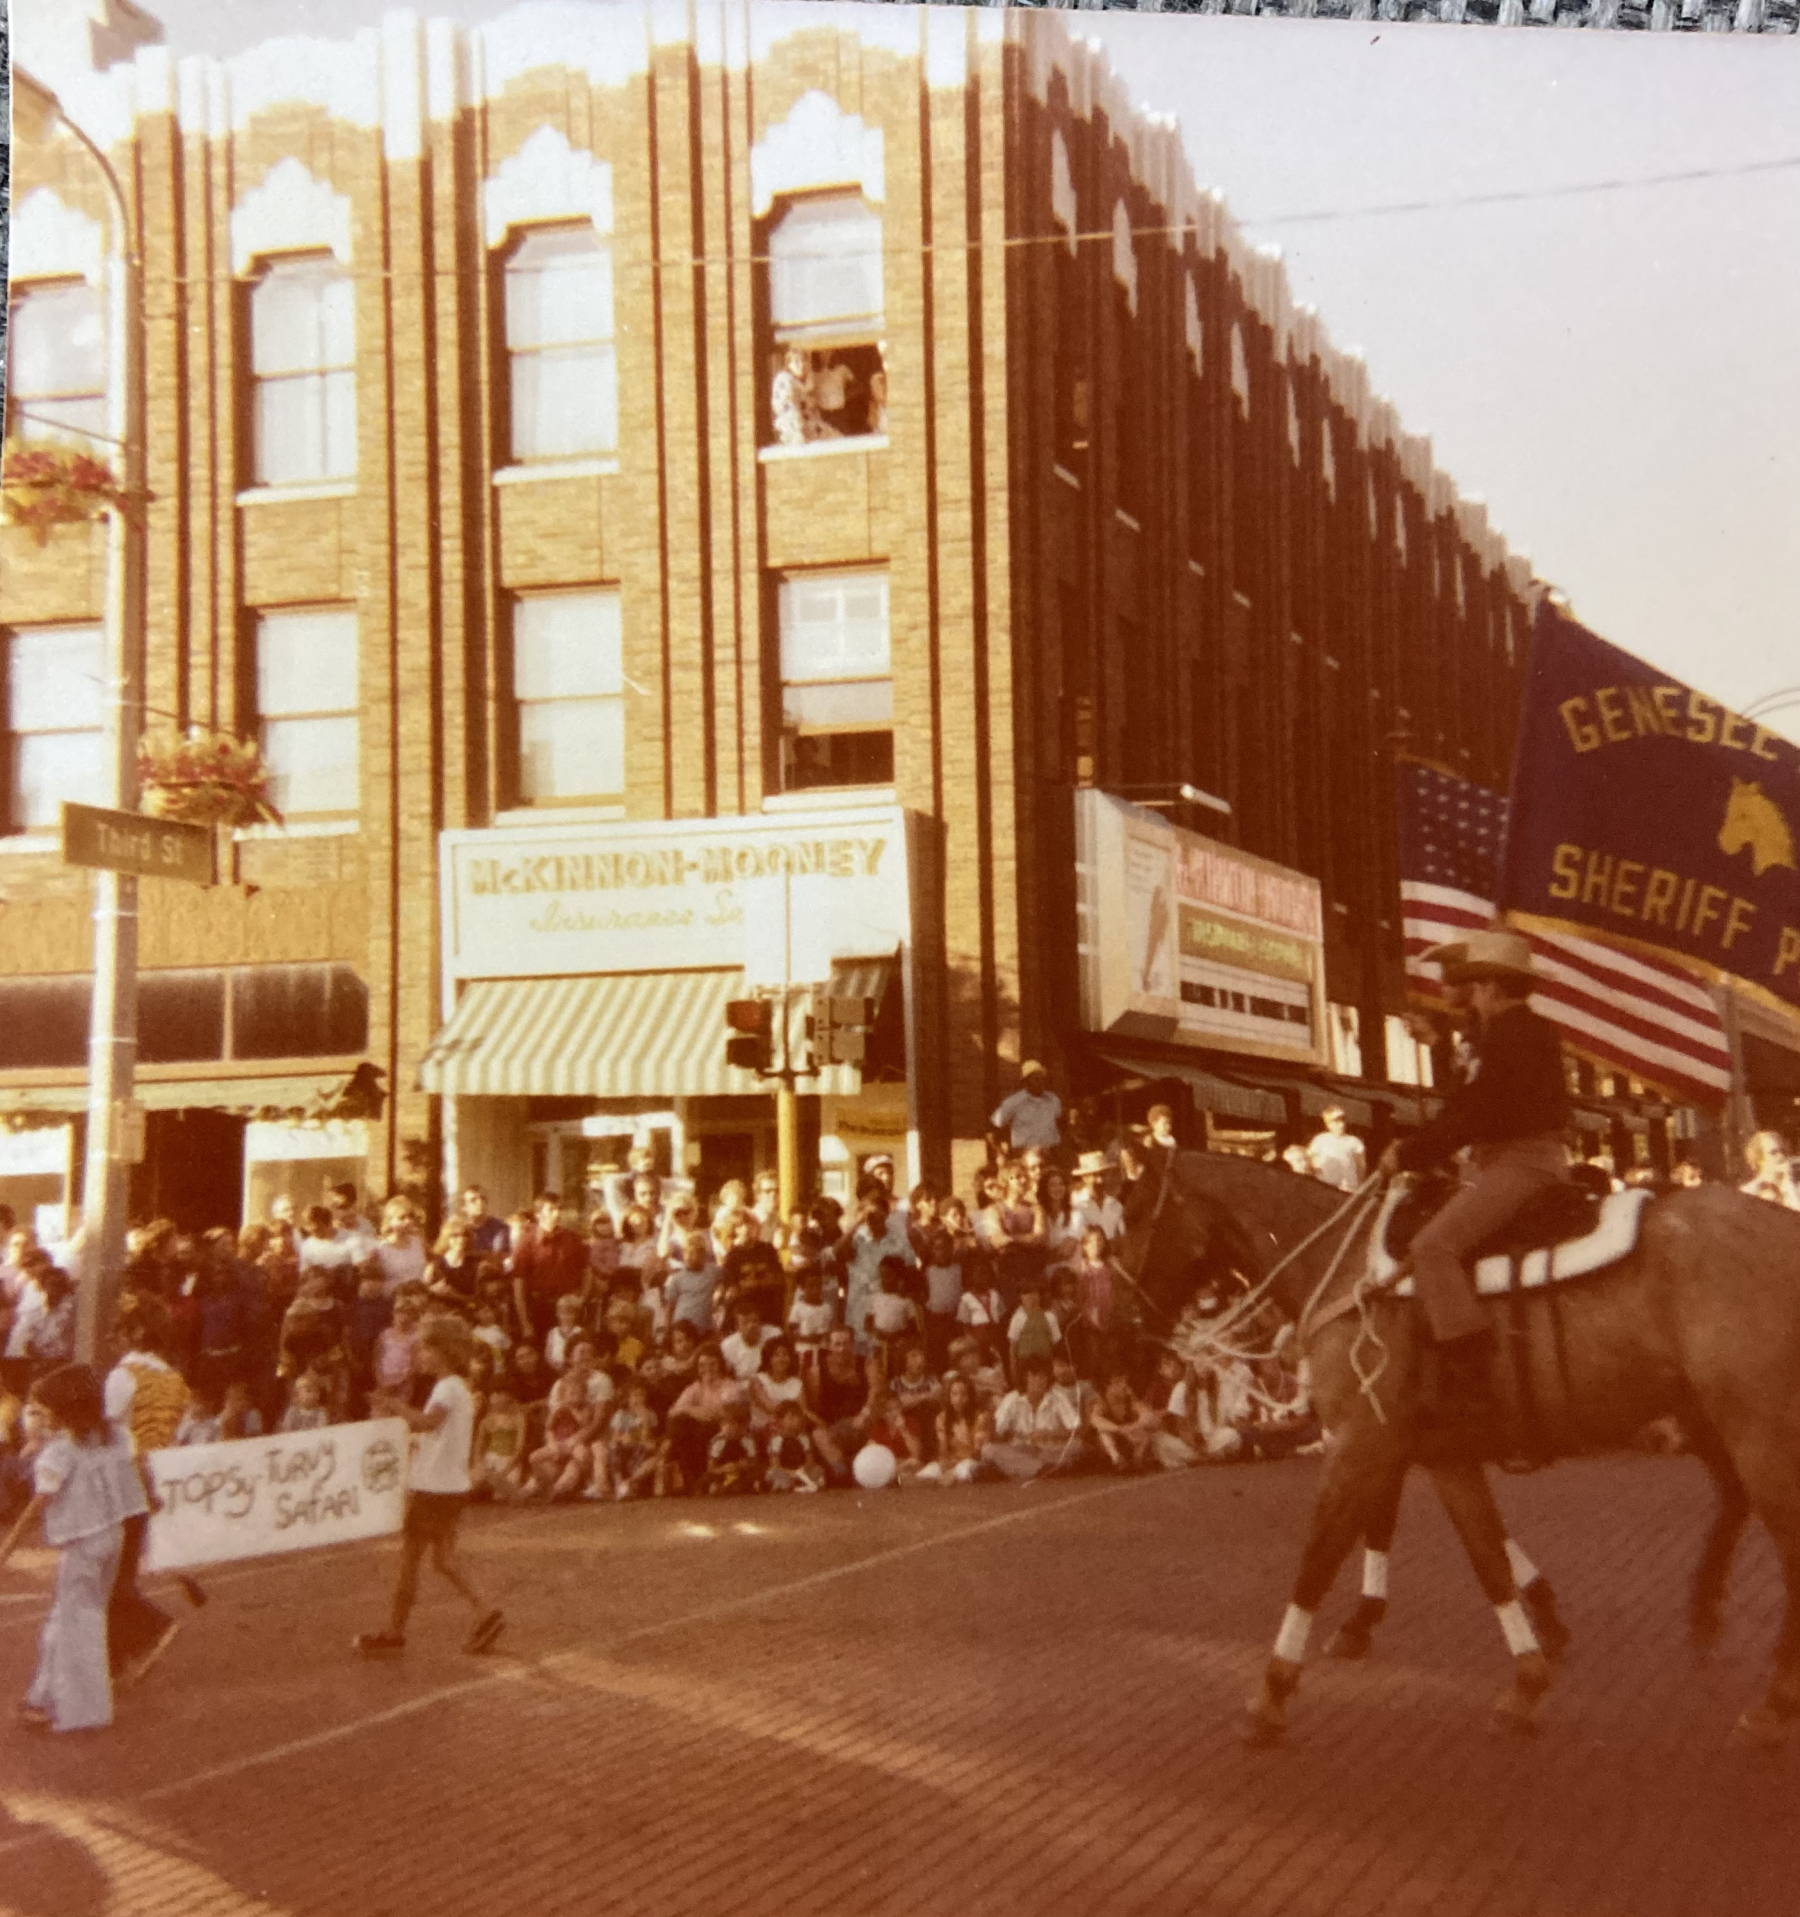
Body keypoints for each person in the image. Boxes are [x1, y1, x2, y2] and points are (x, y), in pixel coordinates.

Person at [1380, 929, 1572, 1444]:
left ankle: (1471, 1390)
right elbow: (1468, 1102)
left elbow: (1476, 1109)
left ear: (1488, 986)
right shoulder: (1511, 1032)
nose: (1457, 988)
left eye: (1467, 981)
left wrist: (1412, 1152)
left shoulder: (1512, 1034)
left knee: (1433, 1246)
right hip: (1503, 1161)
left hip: (1520, 1164)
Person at [0, 1364, 142, 1733]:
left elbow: (36, 1507)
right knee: (71, 1619)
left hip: (83, 1544)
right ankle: (41, 1698)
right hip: (112, 1536)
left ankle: (82, 1710)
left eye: (46, 1410)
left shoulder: (60, 1453)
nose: (42, 1417)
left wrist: (6, 1549)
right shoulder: (112, 1438)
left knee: (76, 1624)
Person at [356, 1315, 503, 1657]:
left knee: (411, 1561)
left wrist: (391, 1405)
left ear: (444, 1351)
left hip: (433, 1488)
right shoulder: (458, 1388)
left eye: (426, 1347)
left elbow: (426, 1421)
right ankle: (485, 1611)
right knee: (444, 1559)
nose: (420, 1353)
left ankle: (394, 1631)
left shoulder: (447, 1388)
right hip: (450, 1486)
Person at [101, 1299, 187, 1687]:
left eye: (122, 1331)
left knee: (108, 1574)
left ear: (136, 1334)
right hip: (153, 1479)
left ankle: (152, 1626)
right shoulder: (175, 1381)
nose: (116, 1338)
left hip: (121, 1477)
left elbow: (107, 1430)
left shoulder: (123, 1375)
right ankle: (118, 1659)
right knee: (121, 1569)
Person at [990, 1061, 1064, 1158]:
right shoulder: (1014, 1102)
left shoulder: (1053, 1100)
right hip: (1024, 1156)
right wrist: (1000, 1152)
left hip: (1050, 1155)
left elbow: (1061, 1125)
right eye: (1035, 1078)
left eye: (1041, 1078)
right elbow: (991, 1129)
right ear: (1026, 1081)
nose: (1040, 1082)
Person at [1307, 1107, 1368, 1194]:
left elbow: (1361, 1165)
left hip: (1348, 1188)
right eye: (1336, 1121)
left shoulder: (1354, 1141)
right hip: (1325, 1186)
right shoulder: (1320, 1140)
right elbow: (1310, 1160)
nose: (1341, 1124)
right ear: (1328, 1123)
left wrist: (1359, 1184)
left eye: (1343, 1120)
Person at [1739, 1132, 1800, 1209]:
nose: (1781, 1156)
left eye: (1782, 1151)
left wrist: (1787, 1184)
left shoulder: (1795, 1188)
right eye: (1773, 1153)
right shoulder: (1748, 1192)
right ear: (1759, 1159)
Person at [457, 1186, 511, 1258]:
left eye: (483, 1198)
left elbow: (498, 1256)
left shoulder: (499, 1227)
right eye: (473, 1200)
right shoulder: (460, 1230)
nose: (480, 1203)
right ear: (464, 1207)